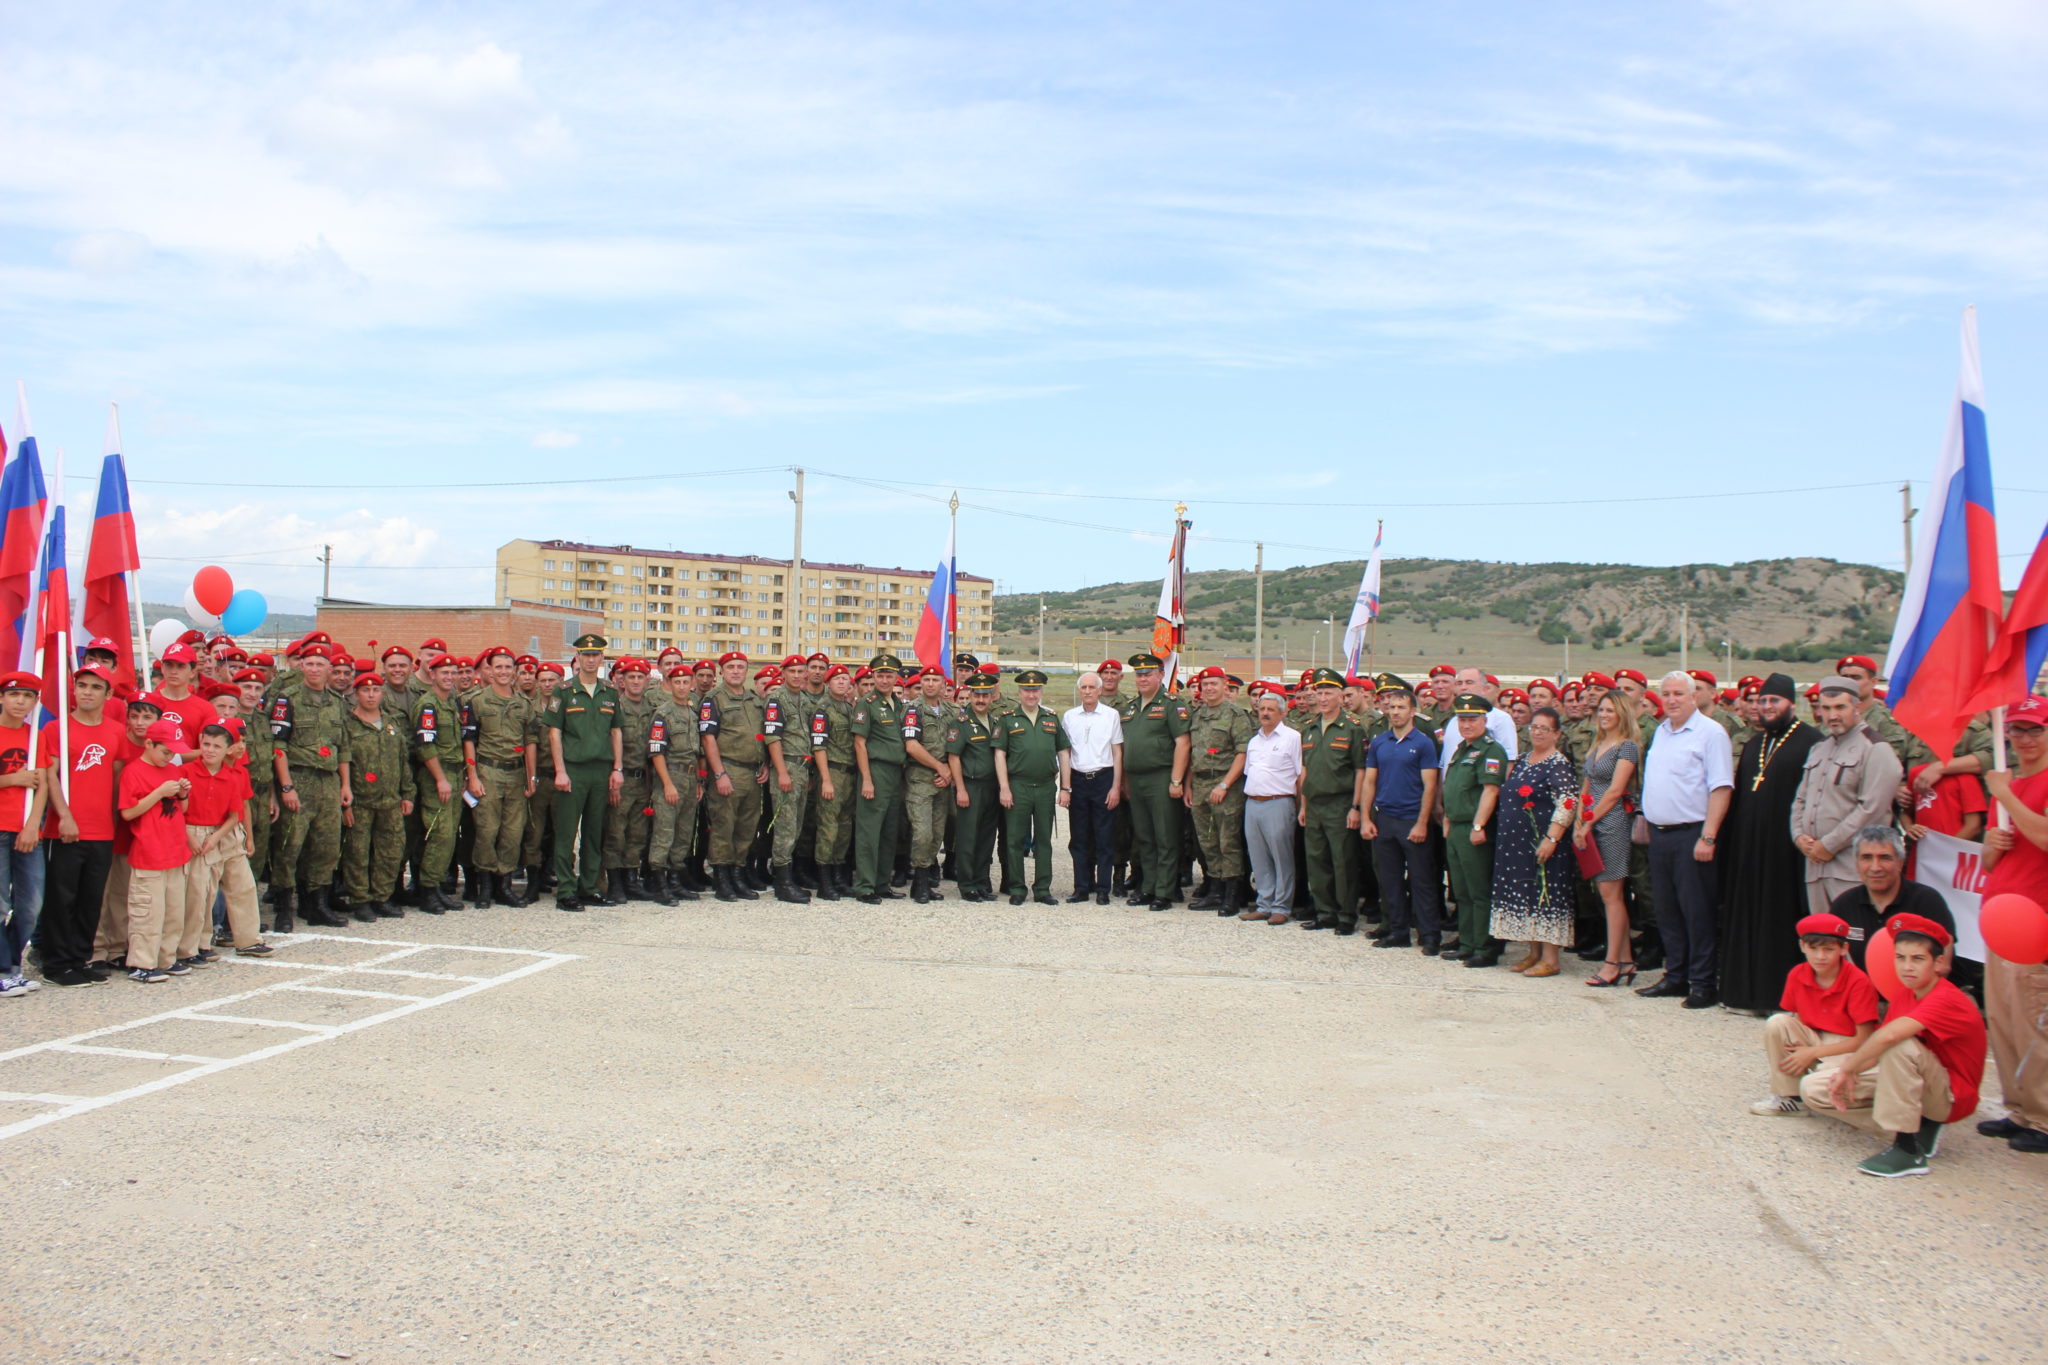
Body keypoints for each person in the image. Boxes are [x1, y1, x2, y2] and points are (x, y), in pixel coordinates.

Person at [1809, 913, 1985, 1178]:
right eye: (1900, 958)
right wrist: (1844, 1075)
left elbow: (1889, 1038)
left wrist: (1849, 1069)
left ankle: (1907, 1150)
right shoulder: (1905, 994)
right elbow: (1876, 1049)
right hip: (1921, 1083)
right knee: (1815, 1089)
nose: (1907, 967)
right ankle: (1919, 1124)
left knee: (1899, 1044)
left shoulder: (1947, 998)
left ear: (1938, 963)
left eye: (1918, 959)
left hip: (1950, 1095)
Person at [1716, 673, 1824, 1012]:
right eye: (1762, 701)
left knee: (1778, 919)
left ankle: (1777, 997)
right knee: (1745, 916)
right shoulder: (1754, 743)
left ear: (1792, 704)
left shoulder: (1811, 741)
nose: (1766, 707)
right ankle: (1741, 993)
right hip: (1748, 848)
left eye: (1773, 701)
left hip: (1784, 851)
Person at [1636, 669, 1734, 1009]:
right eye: (1666, 694)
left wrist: (1708, 836)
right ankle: (1675, 975)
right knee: (1668, 911)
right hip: (1660, 835)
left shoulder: (1710, 733)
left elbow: (1720, 786)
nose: (1672, 700)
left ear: (1695, 697)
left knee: (1697, 911)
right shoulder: (1662, 731)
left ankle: (1703, 982)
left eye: (1679, 693)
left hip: (1692, 833)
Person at [1978, 693, 2048, 1155]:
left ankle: (2042, 1116)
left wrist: (2004, 794)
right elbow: (1987, 861)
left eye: (2034, 730)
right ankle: (2017, 1107)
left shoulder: (2018, 786)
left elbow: (2043, 836)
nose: (2023, 739)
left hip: (2033, 918)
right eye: (2017, 730)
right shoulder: (2010, 783)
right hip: (1998, 915)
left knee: (2032, 1019)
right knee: (2002, 1019)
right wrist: (1992, 841)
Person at [32, 665, 125, 986]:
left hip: (102, 830)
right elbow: (50, 775)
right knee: (62, 898)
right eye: (81, 685)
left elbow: (115, 778)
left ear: (108, 694)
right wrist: (64, 815)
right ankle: (56, 963)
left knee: (91, 898)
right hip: (65, 829)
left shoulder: (115, 731)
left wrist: (115, 818)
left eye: (95, 687)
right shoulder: (57, 729)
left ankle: (80, 957)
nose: (86, 692)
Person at [1791, 677, 1905, 916]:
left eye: (1840, 707)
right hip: (1815, 865)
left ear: (1857, 706)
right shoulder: (1819, 748)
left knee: (1854, 942)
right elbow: (1800, 799)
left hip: (1851, 867)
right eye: (1826, 708)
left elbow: (1871, 809)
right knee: (1823, 941)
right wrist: (1799, 836)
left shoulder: (1875, 748)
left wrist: (1829, 844)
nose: (1832, 715)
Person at [1747, 912, 1878, 1117]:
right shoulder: (1798, 974)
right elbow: (1797, 1018)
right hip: (1815, 1035)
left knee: (1821, 1086)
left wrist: (1812, 1054)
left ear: (1844, 949)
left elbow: (1864, 1039)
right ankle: (1789, 1098)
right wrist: (1804, 1048)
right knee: (1777, 1023)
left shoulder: (1858, 981)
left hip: (1847, 1044)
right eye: (1813, 948)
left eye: (1829, 949)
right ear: (1802, 947)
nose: (1820, 956)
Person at [1490, 706, 1577, 976]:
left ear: (1556, 734)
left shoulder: (1558, 763)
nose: (1538, 732)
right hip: (1517, 843)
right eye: (1535, 727)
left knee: (1544, 894)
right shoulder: (1526, 758)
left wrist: (1552, 837)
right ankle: (1534, 952)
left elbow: (1568, 802)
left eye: (1544, 729)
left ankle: (1551, 958)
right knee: (1528, 895)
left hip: (1544, 842)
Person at [269, 641, 348, 929]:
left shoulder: (337, 703)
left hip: (328, 781)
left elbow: (344, 748)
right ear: (301, 666)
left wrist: (345, 785)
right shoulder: (287, 699)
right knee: (290, 845)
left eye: (320, 664)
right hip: (299, 778)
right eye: (309, 663)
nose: (315, 669)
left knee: (325, 846)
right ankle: (283, 907)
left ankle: (316, 904)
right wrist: (286, 787)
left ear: (329, 668)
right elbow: (278, 745)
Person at [544, 635, 624, 913]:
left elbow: (616, 731)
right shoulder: (563, 691)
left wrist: (617, 769)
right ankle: (566, 889)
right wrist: (560, 771)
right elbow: (554, 733)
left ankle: (588, 887)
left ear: (602, 659)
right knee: (566, 833)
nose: (591, 660)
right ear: (577, 658)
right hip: (573, 770)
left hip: (601, 770)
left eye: (596, 655)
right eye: (585, 655)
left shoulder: (610, 691)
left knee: (594, 832)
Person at [1360, 675, 1440, 951]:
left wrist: (1422, 823)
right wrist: (1366, 818)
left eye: (1401, 707)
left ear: (1413, 711)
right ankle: (1397, 931)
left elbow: (1430, 786)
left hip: (1411, 820)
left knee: (1421, 881)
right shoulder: (1379, 742)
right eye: (1391, 707)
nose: (1395, 712)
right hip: (1384, 819)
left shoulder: (1424, 742)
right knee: (1390, 881)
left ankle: (1429, 936)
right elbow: (1370, 781)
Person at [1290, 667, 1369, 933]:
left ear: (1340, 695)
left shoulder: (1352, 728)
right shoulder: (1310, 728)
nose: (1323, 698)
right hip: (1315, 804)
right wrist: (1304, 805)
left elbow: (1360, 770)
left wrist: (1356, 807)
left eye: (1328, 693)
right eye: (1319, 692)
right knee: (1317, 860)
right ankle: (1325, 912)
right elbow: (1306, 770)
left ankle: (1346, 915)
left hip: (1341, 803)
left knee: (1342, 862)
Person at [181, 723, 267, 959]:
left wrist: (248, 837)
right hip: (200, 832)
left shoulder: (236, 773)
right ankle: (199, 943)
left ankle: (249, 939)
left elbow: (241, 809)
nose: (241, 747)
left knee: (243, 885)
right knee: (202, 891)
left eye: (242, 742)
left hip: (228, 833)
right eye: (206, 744)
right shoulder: (189, 770)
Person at [118, 719, 192, 983]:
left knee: (173, 912)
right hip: (149, 853)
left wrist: (182, 794)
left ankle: (166, 957)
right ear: (149, 744)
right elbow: (128, 812)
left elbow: (181, 810)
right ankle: (141, 962)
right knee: (148, 912)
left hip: (174, 850)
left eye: (173, 753)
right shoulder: (133, 771)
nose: (170, 756)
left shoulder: (172, 770)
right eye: (165, 751)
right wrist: (159, 792)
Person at [1574, 691, 1640, 985]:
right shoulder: (1598, 743)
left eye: (1610, 710)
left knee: (1611, 896)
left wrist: (1588, 821)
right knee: (1605, 896)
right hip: (1590, 819)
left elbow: (1615, 791)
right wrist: (1578, 819)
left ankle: (1612, 963)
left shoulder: (1627, 747)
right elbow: (1586, 786)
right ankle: (1625, 961)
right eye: (1601, 709)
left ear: (1622, 713)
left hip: (1611, 822)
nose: (1604, 715)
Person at [338, 670, 415, 921]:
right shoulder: (348, 725)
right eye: (365, 690)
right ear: (356, 694)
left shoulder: (392, 723)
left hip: (391, 799)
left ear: (382, 693)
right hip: (360, 800)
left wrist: (407, 793)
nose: (371, 695)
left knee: (391, 850)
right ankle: (361, 900)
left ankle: (382, 897)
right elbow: (344, 761)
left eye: (376, 690)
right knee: (358, 853)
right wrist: (345, 802)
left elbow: (403, 760)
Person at [464, 645, 536, 909]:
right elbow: (469, 741)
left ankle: (503, 884)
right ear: (490, 671)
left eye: (508, 667)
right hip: (488, 772)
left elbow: (530, 742)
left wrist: (531, 777)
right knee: (486, 830)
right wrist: (472, 776)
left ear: (515, 672)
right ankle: (485, 887)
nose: (504, 672)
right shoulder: (477, 701)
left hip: (516, 773)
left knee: (513, 832)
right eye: (499, 667)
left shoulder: (523, 704)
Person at [1119, 653, 1191, 911]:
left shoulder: (1172, 704)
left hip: (1162, 777)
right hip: (1136, 779)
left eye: (1148, 673)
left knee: (1165, 835)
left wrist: (1176, 780)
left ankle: (1165, 890)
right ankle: (1148, 887)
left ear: (1161, 675)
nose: (1143, 678)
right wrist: (1125, 780)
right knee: (1144, 837)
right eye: (1138, 674)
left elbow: (1183, 743)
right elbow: (1125, 746)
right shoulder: (1129, 707)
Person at [1440, 693, 1507, 966]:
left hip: (1475, 828)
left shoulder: (1491, 750)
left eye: (1472, 719)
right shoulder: (1462, 749)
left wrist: (1479, 825)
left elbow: (1490, 791)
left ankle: (1486, 947)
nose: (1466, 725)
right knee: (1462, 890)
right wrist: (1447, 817)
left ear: (1484, 719)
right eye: (1462, 719)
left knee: (1479, 891)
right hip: (1456, 826)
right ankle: (1467, 942)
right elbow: (1454, 786)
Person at [699, 651, 770, 902]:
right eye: (731, 667)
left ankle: (738, 875)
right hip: (728, 769)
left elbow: (762, 734)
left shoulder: (753, 699)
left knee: (747, 827)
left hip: (753, 772)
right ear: (722, 671)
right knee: (723, 826)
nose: (737, 671)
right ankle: (722, 878)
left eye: (741, 667)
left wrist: (766, 764)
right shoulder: (713, 699)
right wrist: (719, 773)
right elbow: (708, 738)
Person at [1182, 666, 1251, 915]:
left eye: (1214, 683)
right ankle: (1215, 890)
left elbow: (1243, 753)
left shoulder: (1235, 715)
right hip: (1200, 784)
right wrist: (1188, 785)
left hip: (1226, 784)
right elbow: (1193, 752)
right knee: (1207, 841)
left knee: (1227, 841)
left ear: (1224, 685)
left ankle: (1232, 895)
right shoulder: (1198, 715)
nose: (1209, 688)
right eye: (1205, 684)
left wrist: (1225, 784)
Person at [995, 669, 1067, 906]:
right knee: (1015, 839)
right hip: (1018, 786)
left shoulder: (1051, 718)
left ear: (1041, 692)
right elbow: (1000, 754)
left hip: (1046, 786)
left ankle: (1043, 888)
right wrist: (1004, 788)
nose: (1031, 694)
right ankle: (1017, 887)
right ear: (1019, 691)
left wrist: (1065, 787)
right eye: (1027, 689)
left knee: (1044, 840)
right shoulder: (1008, 719)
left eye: (1035, 690)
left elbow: (1063, 752)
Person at [1235, 692, 1304, 924]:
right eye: (1262, 708)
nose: (1264, 713)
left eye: (1271, 709)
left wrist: (1298, 805)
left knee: (1281, 856)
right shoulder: (1254, 741)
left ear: (1282, 713)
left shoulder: (1292, 737)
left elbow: (1299, 774)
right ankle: (1263, 903)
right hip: (1253, 802)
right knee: (1259, 857)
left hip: (1279, 802)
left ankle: (1281, 907)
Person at [0, 672, 48, 996]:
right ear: (2, 697)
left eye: (28, 697)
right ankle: (4, 970)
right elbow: (23, 778)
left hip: (26, 828)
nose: (21, 702)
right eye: (15, 695)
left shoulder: (35, 737)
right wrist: (12, 780)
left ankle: (12, 965)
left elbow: (42, 782)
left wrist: (33, 824)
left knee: (31, 903)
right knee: (0, 904)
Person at [850, 654, 909, 905]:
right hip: (875, 771)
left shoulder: (898, 704)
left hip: (896, 773)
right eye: (880, 675)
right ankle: (865, 886)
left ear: (897, 678)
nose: (885, 680)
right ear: (872, 677)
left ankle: (882, 883)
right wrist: (867, 779)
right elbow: (860, 743)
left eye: (889, 675)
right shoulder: (867, 703)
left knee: (888, 832)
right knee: (869, 832)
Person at [1062, 672, 1123, 906]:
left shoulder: (1111, 716)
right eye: (1083, 687)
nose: (1087, 691)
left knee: (1104, 836)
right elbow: (1065, 753)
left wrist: (1116, 786)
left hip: (1103, 778)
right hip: (1078, 780)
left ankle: (1103, 888)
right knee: (1079, 836)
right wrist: (1065, 787)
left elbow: (1117, 752)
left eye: (1092, 687)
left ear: (1099, 691)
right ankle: (1081, 887)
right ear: (1079, 691)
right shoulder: (1069, 717)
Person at [647, 664, 705, 904]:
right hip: (670, 776)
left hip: (690, 779)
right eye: (677, 682)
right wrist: (667, 784)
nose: (682, 687)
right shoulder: (663, 713)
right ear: (669, 685)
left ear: (692, 684)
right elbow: (656, 751)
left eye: (685, 682)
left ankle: (674, 880)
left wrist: (699, 781)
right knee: (665, 831)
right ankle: (659, 884)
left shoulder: (693, 713)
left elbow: (697, 751)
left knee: (684, 832)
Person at [900, 666, 956, 904]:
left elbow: (957, 746)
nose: (931, 684)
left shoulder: (951, 711)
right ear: (921, 683)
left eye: (935, 680)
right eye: (926, 680)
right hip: (921, 778)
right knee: (922, 833)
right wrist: (939, 767)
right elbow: (911, 746)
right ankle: (920, 883)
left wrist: (949, 771)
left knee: (936, 834)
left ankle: (924, 882)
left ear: (943, 684)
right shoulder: (913, 709)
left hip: (944, 780)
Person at [947, 673, 1004, 901]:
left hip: (992, 787)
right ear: (970, 696)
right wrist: (960, 788)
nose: (981, 699)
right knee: (968, 837)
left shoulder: (996, 723)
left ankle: (981, 882)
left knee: (986, 837)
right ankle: (967, 884)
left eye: (985, 695)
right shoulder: (960, 723)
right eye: (976, 695)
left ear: (992, 697)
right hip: (970, 786)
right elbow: (953, 757)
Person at [808, 665, 858, 901]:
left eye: (845, 679)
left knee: (844, 828)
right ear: (829, 683)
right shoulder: (823, 709)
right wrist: (825, 779)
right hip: (832, 772)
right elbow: (819, 745)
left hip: (850, 774)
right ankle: (824, 881)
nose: (841, 682)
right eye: (836, 679)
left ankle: (839, 877)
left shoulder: (849, 708)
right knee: (828, 828)